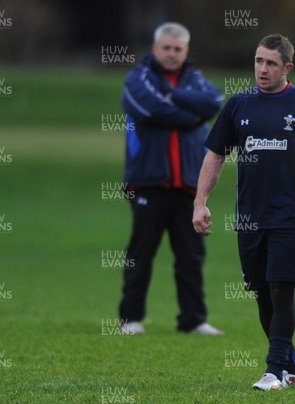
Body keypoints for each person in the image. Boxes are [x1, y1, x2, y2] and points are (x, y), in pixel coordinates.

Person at [192, 34, 295, 389]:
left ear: (287, 68)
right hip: (249, 217)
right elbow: (215, 155)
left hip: (290, 216)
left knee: (282, 289)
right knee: (262, 292)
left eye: (271, 64)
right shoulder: (238, 106)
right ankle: (289, 364)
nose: (262, 69)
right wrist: (200, 202)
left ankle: (274, 371)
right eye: (258, 61)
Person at [118, 22, 224, 336]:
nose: (172, 54)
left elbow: (214, 102)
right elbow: (150, 110)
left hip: (190, 185)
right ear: (155, 49)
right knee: (141, 253)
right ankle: (131, 319)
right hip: (149, 181)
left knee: (191, 256)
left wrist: (172, 95)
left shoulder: (194, 78)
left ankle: (193, 320)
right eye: (166, 48)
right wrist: (193, 116)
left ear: (186, 51)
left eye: (178, 49)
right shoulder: (137, 78)